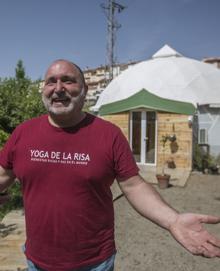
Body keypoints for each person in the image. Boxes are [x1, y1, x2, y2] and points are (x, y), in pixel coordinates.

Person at [0, 59, 220, 271]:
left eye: (68, 80)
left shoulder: (108, 135)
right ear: (43, 90)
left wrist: (173, 220)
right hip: (38, 262)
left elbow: (134, 186)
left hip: (94, 263)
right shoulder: (23, 133)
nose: (58, 88)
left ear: (84, 90)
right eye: (51, 81)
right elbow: (4, 174)